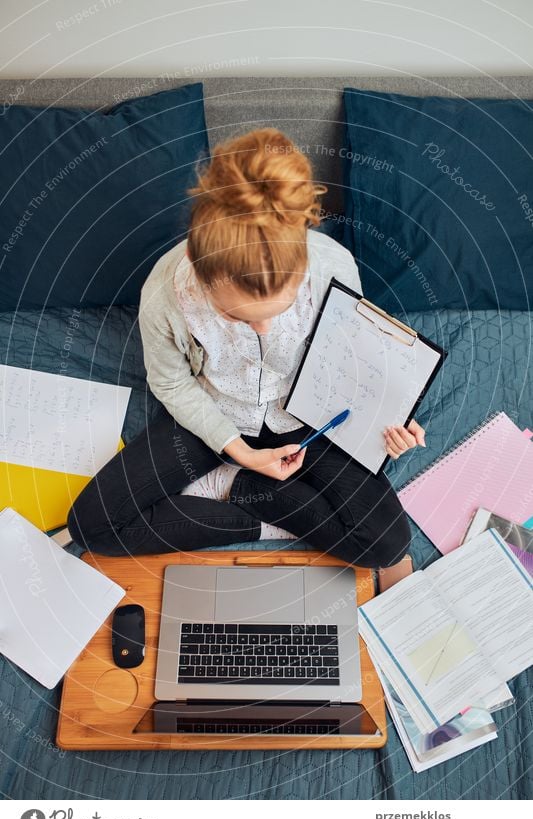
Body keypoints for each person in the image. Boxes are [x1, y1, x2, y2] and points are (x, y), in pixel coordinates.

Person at [68, 128, 425, 567]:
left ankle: (250, 490)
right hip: (213, 418)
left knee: (387, 545)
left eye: (280, 308)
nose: (263, 328)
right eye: (238, 317)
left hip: (306, 417)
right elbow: (171, 382)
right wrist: (240, 452)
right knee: (93, 525)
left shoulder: (333, 266)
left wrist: (392, 415)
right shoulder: (165, 293)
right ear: (204, 277)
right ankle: (251, 510)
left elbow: (353, 358)